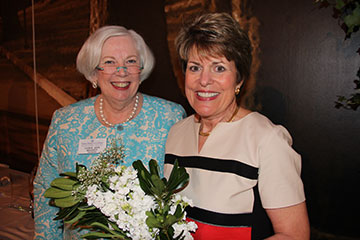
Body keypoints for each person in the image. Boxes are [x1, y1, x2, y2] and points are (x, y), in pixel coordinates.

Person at [164, 13, 310, 240]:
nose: (204, 80)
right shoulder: (176, 133)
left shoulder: (267, 139)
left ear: (239, 79)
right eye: (194, 68)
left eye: (219, 68)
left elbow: (294, 235)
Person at [33, 25, 186, 239]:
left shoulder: (169, 117)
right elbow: (45, 189)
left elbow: (184, 192)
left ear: (141, 70)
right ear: (94, 72)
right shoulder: (66, 121)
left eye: (130, 61)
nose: (121, 71)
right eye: (109, 62)